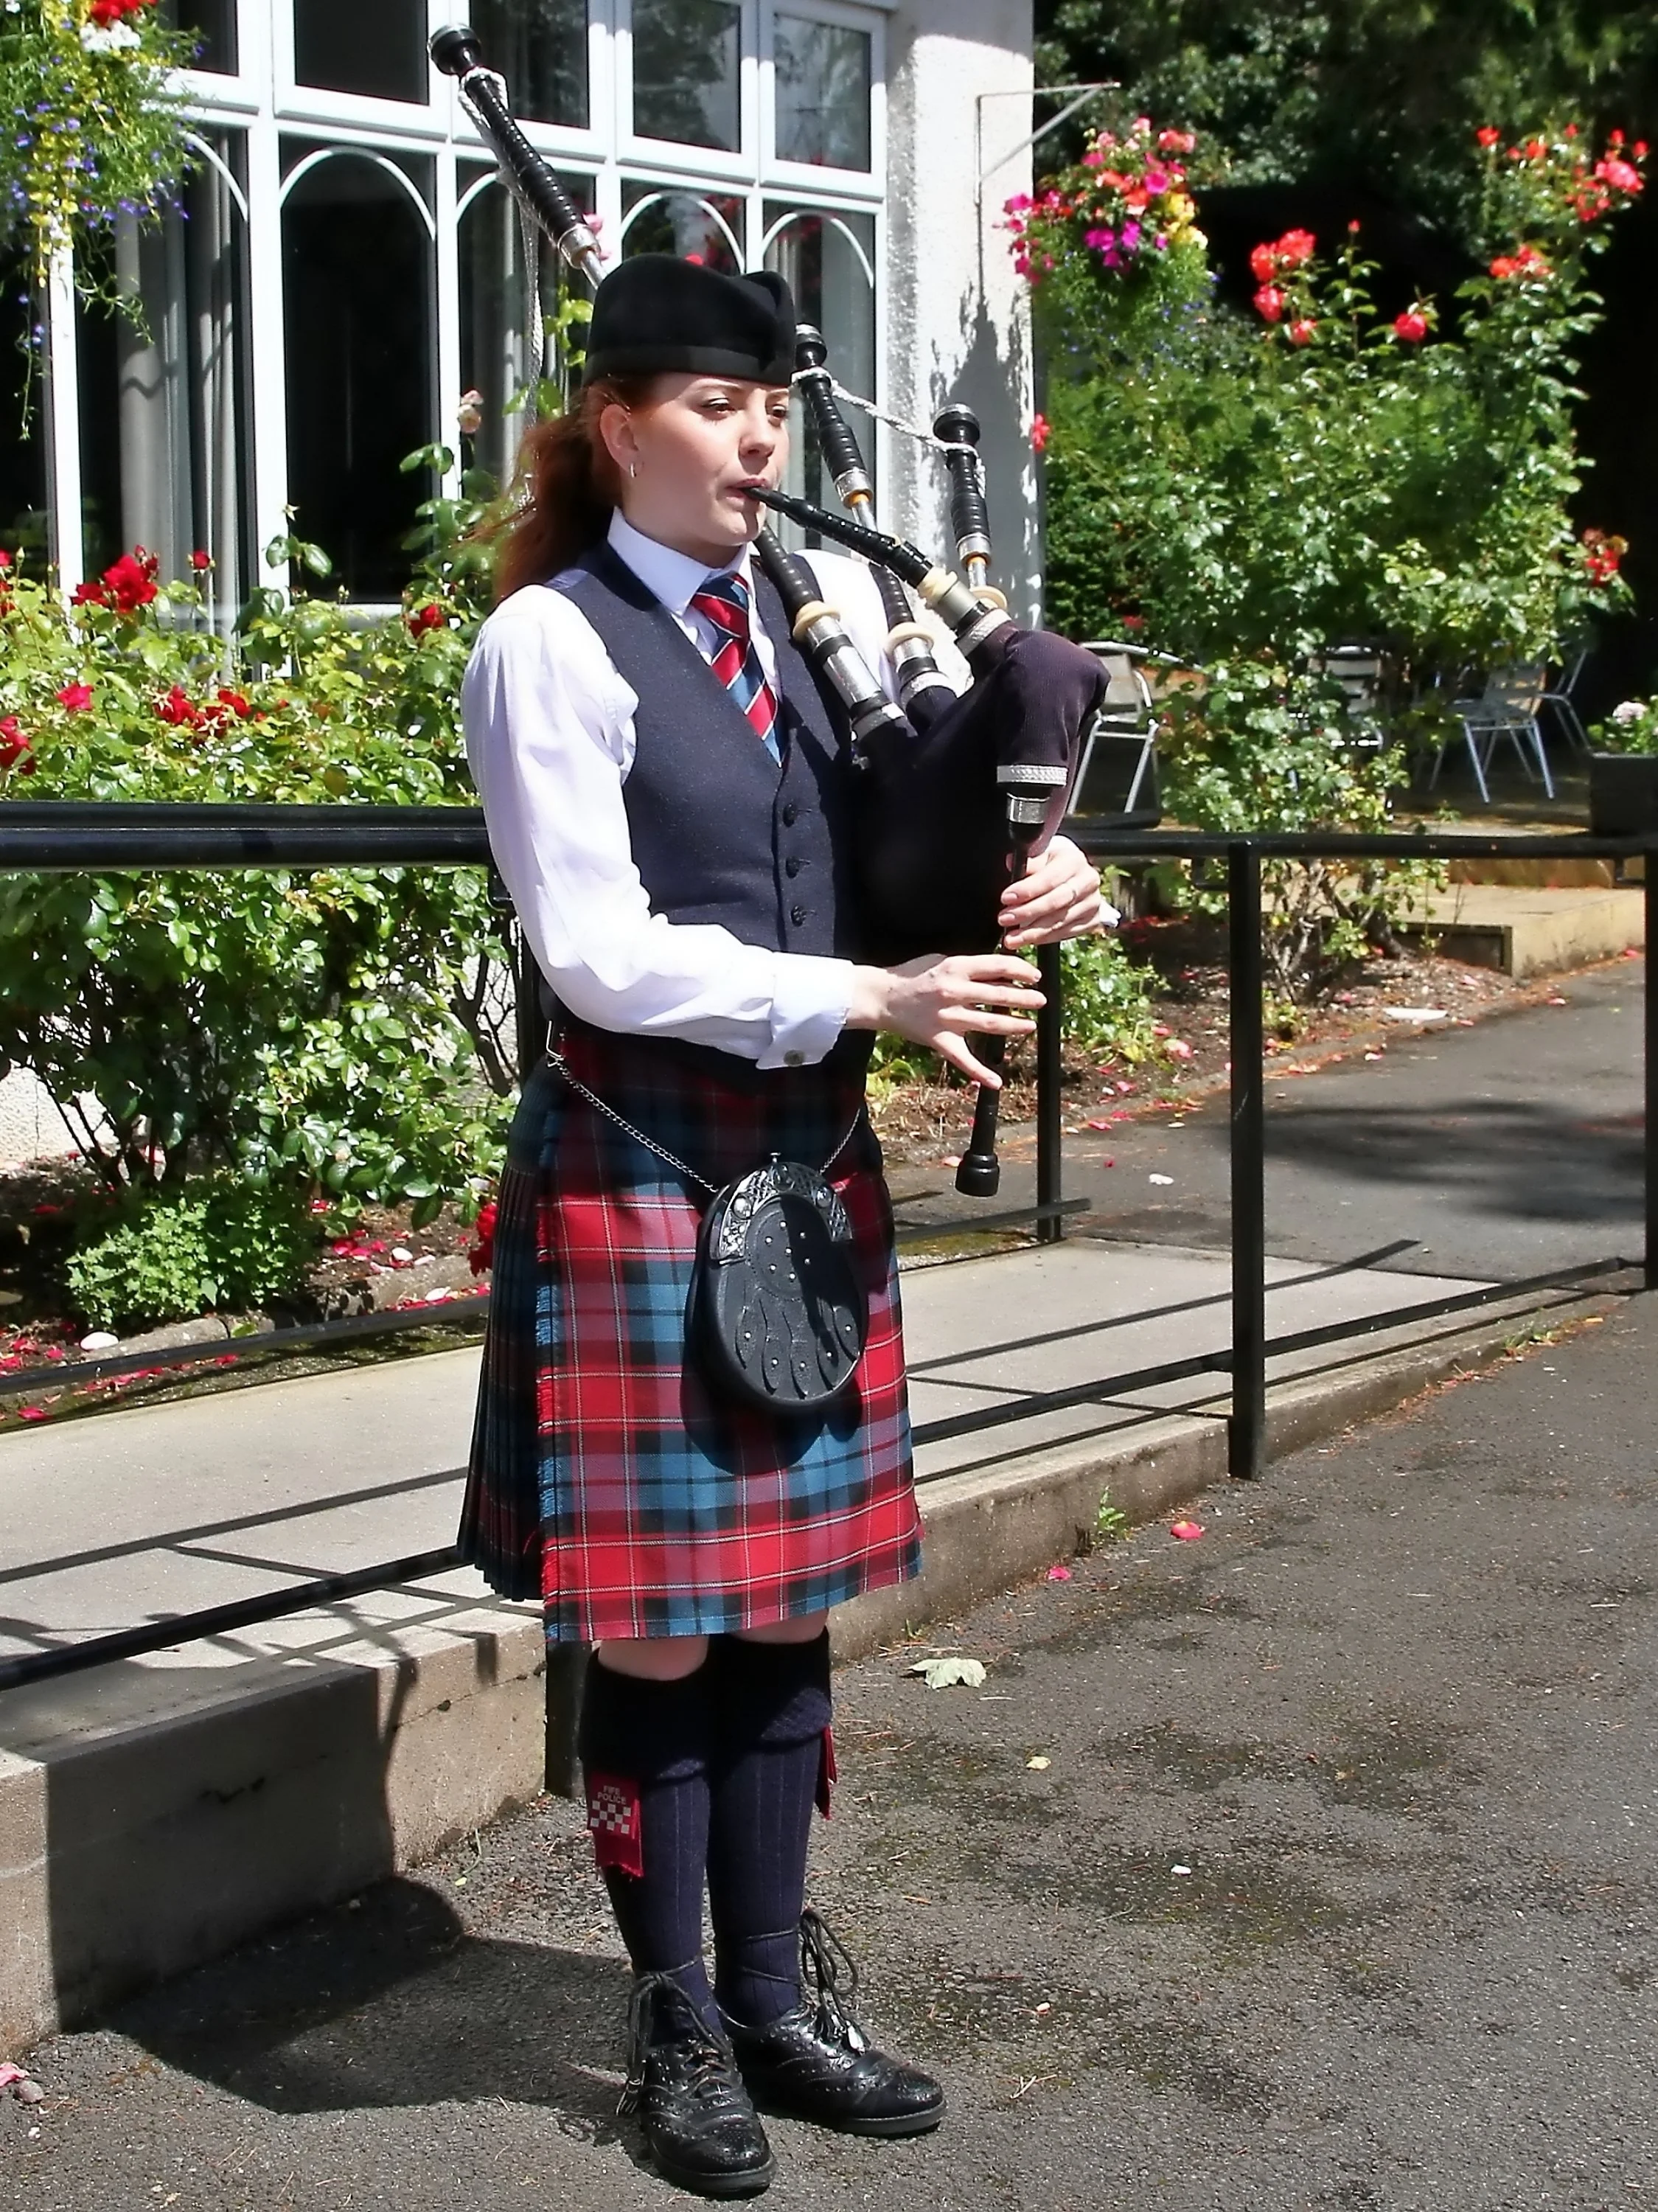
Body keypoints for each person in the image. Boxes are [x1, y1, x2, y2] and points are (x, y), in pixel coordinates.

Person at [457, 254, 1107, 2199]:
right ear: (615, 426)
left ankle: (774, 1997)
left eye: (770, 410)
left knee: (783, 1602)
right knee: (659, 1631)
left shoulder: (815, 626)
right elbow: (593, 949)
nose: (759, 440)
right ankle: (672, 2026)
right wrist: (865, 998)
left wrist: (1038, 860)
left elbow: (922, 834)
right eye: (717, 407)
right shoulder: (553, 648)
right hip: (641, 1158)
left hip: (805, 1167)